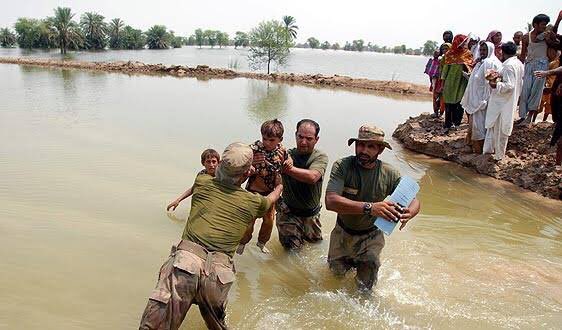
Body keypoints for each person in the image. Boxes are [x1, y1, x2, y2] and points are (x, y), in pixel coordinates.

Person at [139, 143, 283, 330]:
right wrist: (279, 182)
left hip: (185, 265)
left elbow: (216, 177)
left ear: (220, 164)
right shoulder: (254, 202)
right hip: (218, 277)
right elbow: (273, 196)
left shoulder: (202, 182)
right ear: (247, 173)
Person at [325, 125, 421, 291]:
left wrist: (409, 213)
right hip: (342, 233)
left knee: (365, 289)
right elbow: (330, 201)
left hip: (371, 237)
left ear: (380, 150)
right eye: (360, 145)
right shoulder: (342, 166)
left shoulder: (389, 173)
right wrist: (370, 208)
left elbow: (414, 200)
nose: (364, 150)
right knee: (335, 280)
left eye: (370, 146)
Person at [277, 119, 329, 250]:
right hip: (288, 214)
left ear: (316, 139)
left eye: (309, 138)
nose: (303, 142)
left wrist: (288, 170)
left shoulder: (320, 157)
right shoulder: (286, 155)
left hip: (311, 215)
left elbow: (312, 177)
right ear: (295, 135)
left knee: (315, 247)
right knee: (291, 253)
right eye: (300, 137)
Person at [238, 119, 288, 254]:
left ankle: (261, 243)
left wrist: (289, 162)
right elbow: (241, 156)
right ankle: (242, 243)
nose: (267, 142)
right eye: (264, 139)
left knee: (269, 221)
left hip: (270, 193)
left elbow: (289, 160)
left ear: (280, 139)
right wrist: (250, 164)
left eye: (271, 140)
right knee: (249, 223)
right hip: (253, 191)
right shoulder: (255, 148)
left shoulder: (282, 150)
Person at [483, 42, 524, 161]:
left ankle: (498, 156)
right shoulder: (518, 63)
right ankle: (492, 152)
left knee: (501, 128)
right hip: (508, 100)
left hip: (503, 102)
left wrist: (495, 84)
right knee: (498, 127)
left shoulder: (509, 66)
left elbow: (509, 85)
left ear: (504, 52)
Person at [461, 42, 502, 153]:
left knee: (480, 128)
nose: (482, 52)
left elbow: (489, 84)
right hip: (477, 101)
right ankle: (477, 151)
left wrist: (484, 100)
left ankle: (480, 154)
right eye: (481, 50)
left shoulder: (490, 62)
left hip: (483, 102)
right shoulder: (481, 63)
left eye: (485, 50)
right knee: (477, 127)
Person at [518, 14, 553, 125]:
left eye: (545, 24)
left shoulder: (546, 37)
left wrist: (548, 38)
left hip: (542, 66)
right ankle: (522, 116)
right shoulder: (525, 37)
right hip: (529, 65)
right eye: (543, 24)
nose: (544, 27)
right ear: (535, 24)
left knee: (536, 91)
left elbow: (553, 48)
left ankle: (529, 117)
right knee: (525, 91)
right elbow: (523, 55)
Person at [441, 34, 473, 131]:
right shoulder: (449, 54)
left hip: (462, 81)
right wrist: (442, 83)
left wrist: (466, 68)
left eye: (465, 43)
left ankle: (457, 122)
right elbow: (445, 70)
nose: (464, 45)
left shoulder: (468, 54)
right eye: (462, 43)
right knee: (448, 103)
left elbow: (471, 67)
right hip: (450, 82)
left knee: (459, 103)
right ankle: (447, 123)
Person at [536, 48, 560, 122]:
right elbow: (546, 73)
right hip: (549, 86)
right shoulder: (552, 63)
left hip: (555, 87)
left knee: (548, 107)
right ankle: (533, 120)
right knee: (540, 104)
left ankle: (544, 121)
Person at [432, 43, 452, 118]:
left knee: (443, 98)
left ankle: (441, 113)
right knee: (436, 95)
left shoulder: (452, 59)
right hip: (438, 80)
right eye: (443, 49)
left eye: (446, 49)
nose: (445, 51)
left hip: (446, 81)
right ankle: (436, 112)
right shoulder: (440, 59)